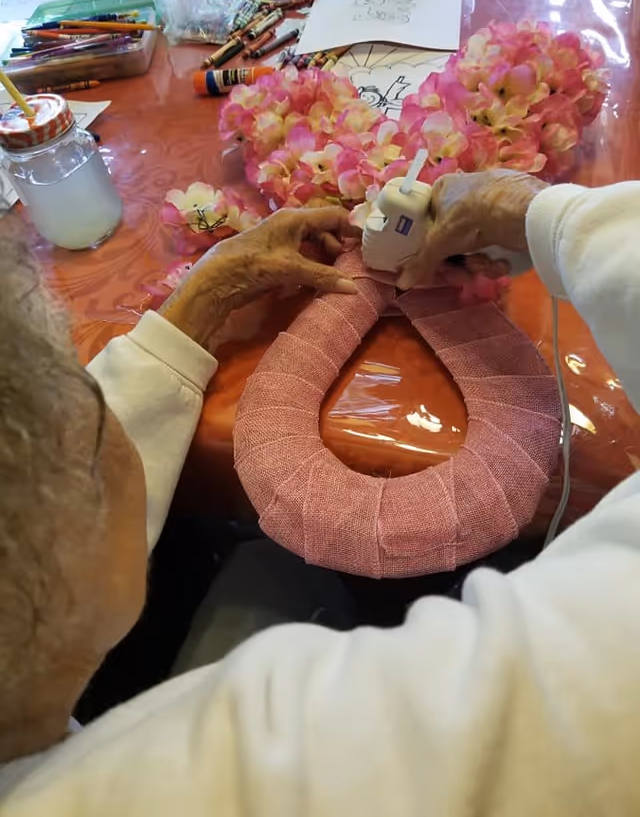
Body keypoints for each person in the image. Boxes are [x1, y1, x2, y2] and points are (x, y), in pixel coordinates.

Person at [1, 169, 640, 815]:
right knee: (271, 577)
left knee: (262, 568)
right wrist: (553, 219)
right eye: (81, 394)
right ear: (54, 543)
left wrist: (202, 296)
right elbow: (607, 647)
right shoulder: (289, 760)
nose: (99, 403)